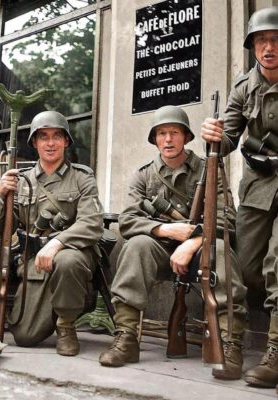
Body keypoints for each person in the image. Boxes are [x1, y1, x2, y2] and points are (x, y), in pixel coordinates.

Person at [99, 106, 247, 380]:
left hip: (200, 251)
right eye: (161, 133)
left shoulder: (209, 168)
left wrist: (192, 242)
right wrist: (165, 229)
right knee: (135, 246)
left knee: (223, 252)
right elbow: (128, 220)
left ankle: (229, 344)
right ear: (154, 139)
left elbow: (228, 219)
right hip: (159, 250)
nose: (168, 139)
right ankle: (127, 337)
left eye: (174, 133)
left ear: (186, 137)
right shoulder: (144, 176)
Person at [201, 6, 278, 388]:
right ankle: (232, 341)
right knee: (244, 265)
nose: (269, 47)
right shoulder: (243, 86)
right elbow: (229, 139)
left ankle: (275, 351)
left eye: (276, 40)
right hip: (259, 183)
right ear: (252, 47)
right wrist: (214, 134)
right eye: (262, 40)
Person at [0, 110, 104, 356]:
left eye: (56, 136)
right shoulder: (21, 181)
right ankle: (56, 308)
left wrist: (58, 243)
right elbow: (3, 228)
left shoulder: (82, 178)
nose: (50, 143)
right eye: (43, 137)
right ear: (34, 143)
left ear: (66, 141)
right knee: (24, 337)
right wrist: (0, 194)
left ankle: (66, 325)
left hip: (72, 256)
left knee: (67, 260)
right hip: (35, 261)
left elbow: (93, 222)